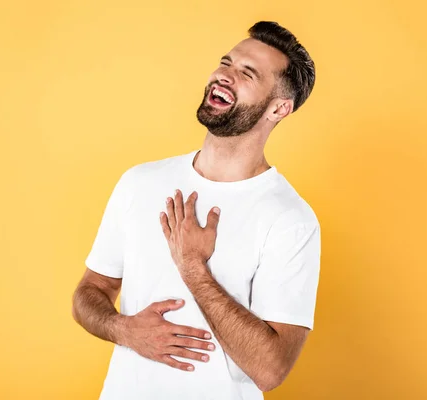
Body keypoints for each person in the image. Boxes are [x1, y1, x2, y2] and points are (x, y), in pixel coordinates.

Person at [72, 21, 320, 400]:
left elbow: (270, 369)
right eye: (226, 61)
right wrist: (122, 329)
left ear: (279, 108)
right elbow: (90, 291)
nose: (224, 74)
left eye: (246, 73)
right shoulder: (140, 182)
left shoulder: (290, 219)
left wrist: (193, 268)